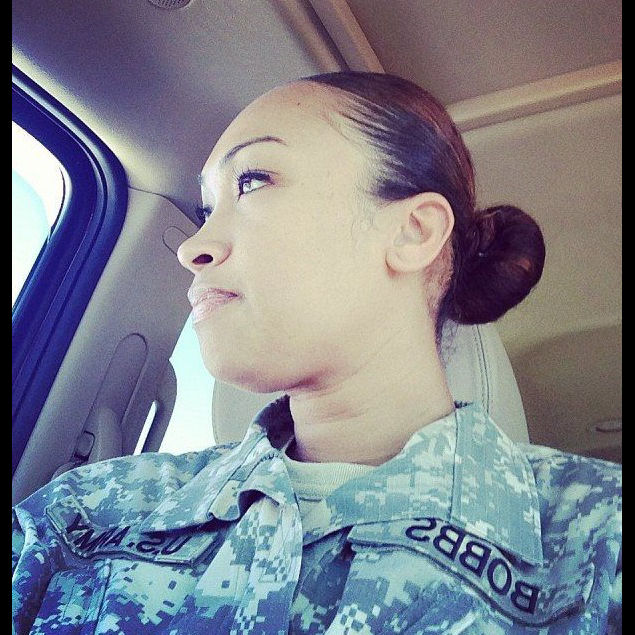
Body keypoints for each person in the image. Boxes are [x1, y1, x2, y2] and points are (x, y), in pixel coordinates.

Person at [12, 72, 621, 634]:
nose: (192, 247)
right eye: (206, 209)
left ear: (412, 232)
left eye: (253, 181)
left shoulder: (601, 543)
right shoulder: (82, 514)